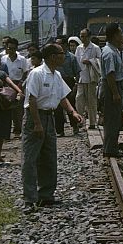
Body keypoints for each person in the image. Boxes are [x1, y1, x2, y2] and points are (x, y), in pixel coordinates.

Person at [22, 43, 84, 210]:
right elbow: (32, 100)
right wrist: (36, 123)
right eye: (61, 53)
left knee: (49, 158)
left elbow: (62, 97)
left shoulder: (56, 75)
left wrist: (73, 113)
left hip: (49, 118)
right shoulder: (37, 74)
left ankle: (46, 195)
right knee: (30, 159)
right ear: (52, 56)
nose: (64, 56)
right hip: (35, 117)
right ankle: (30, 198)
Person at [99, 23, 123, 159]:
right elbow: (110, 74)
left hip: (115, 86)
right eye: (121, 33)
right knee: (112, 119)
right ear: (115, 35)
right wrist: (115, 93)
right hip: (112, 87)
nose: (122, 36)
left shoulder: (114, 49)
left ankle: (111, 147)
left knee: (115, 118)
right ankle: (110, 149)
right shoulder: (109, 52)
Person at [55, 37, 81, 137]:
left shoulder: (71, 57)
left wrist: (76, 85)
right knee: (57, 108)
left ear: (65, 45)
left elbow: (77, 72)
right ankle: (59, 130)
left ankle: (75, 126)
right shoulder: (55, 57)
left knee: (71, 105)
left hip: (69, 82)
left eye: (59, 44)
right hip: (57, 82)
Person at [75, 29, 101, 131]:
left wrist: (90, 61)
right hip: (81, 77)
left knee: (91, 100)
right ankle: (80, 120)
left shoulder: (95, 48)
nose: (83, 38)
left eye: (85, 36)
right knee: (79, 99)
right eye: (81, 36)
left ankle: (92, 122)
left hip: (91, 78)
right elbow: (77, 62)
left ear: (89, 37)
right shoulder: (79, 48)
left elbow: (99, 61)